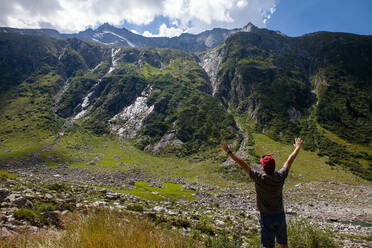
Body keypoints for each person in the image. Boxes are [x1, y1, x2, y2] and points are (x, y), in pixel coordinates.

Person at [221, 137, 303, 248]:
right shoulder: (280, 176)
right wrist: (297, 147)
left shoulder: (259, 178)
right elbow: (290, 160)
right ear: (274, 167)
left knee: (268, 245)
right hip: (280, 215)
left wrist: (229, 151)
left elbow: (242, 163)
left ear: (263, 168)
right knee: (283, 244)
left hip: (266, 216)